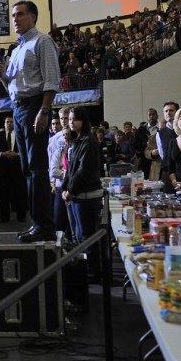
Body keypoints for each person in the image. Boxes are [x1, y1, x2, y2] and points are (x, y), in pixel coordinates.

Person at [0, 0, 61, 242]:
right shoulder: (15, 51)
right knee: (27, 170)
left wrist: (44, 112)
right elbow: (11, 89)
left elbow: (52, 80)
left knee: (38, 169)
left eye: (20, 14)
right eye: (13, 15)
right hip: (18, 108)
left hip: (35, 106)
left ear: (33, 17)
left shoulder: (42, 42)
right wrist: (2, 75)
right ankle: (37, 223)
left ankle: (45, 224)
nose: (15, 19)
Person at [61, 106, 103, 273]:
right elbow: (70, 169)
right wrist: (65, 188)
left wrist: (70, 190)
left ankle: (94, 272)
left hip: (87, 195)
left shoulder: (88, 141)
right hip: (77, 194)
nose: (71, 122)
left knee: (87, 237)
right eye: (70, 119)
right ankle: (88, 271)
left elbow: (82, 171)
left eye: (75, 119)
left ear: (83, 121)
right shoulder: (77, 140)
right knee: (79, 236)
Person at [0, 116, 26, 222]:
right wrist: (2, 154)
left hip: (18, 169)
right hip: (2, 170)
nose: (9, 124)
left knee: (19, 194)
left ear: (14, 123)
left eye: (11, 122)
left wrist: (17, 154)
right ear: (4, 124)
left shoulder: (20, 135)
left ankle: (21, 216)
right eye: (7, 122)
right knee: (3, 195)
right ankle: (4, 217)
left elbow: (26, 149)